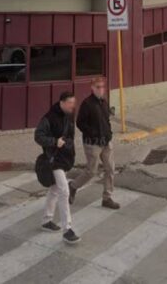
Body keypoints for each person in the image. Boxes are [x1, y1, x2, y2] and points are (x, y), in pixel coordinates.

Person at [34, 90, 80, 244]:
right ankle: (67, 229)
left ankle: (46, 221)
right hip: (53, 159)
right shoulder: (49, 118)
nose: (72, 106)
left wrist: (71, 150)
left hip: (65, 158)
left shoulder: (70, 115)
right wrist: (54, 142)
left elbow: (71, 136)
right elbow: (38, 136)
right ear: (61, 102)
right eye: (70, 103)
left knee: (54, 190)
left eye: (74, 103)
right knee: (64, 191)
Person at [70, 76, 119, 209]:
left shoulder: (103, 102)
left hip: (106, 142)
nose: (101, 89)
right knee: (91, 171)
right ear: (92, 88)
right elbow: (80, 123)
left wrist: (109, 134)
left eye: (103, 87)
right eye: (98, 87)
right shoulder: (87, 104)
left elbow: (107, 119)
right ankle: (73, 186)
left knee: (110, 169)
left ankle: (107, 198)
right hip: (92, 143)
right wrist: (92, 134)